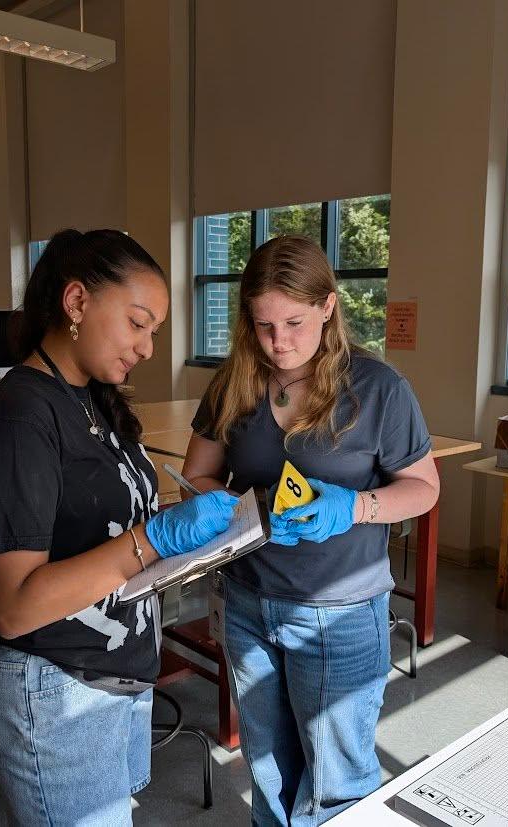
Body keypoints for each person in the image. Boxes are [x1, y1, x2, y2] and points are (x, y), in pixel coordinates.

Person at [0, 228, 239, 827]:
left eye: (154, 331)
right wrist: (152, 540)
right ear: (77, 302)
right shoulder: (20, 417)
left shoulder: (91, 399)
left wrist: (188, 536)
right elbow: (12, 607)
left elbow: (98, 529)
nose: (148, 347)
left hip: (111, 677)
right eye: (138, 323)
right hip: (56, 691)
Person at [181, 235, 441, 826]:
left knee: (338, 782)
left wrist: (353, 507)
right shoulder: (234, 384)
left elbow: (424, 489)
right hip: (248, 602)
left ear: (329, 306)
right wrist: (226, 505)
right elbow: (197, 473)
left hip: (340, 611)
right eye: (264, 324)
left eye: (295, 321)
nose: (279, 342)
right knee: (269, 770)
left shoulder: (378, 390)